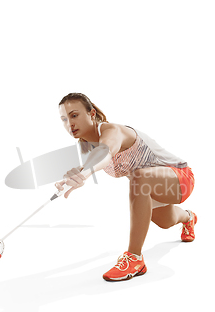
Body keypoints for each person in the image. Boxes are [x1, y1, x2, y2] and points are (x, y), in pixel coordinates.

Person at [55, 92, 196, 281]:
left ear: (92, 113)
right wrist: (73, 177)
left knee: (139, 178)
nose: (69, 124)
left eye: (74, 115)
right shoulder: (88, 146)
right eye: (64, 119)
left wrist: (85, 174)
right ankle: (189, 217)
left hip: (180, 179)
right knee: (166, 222)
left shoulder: (112, 131)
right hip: (151, 186)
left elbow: (106, 154)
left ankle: (134, 258)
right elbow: (92, 161)